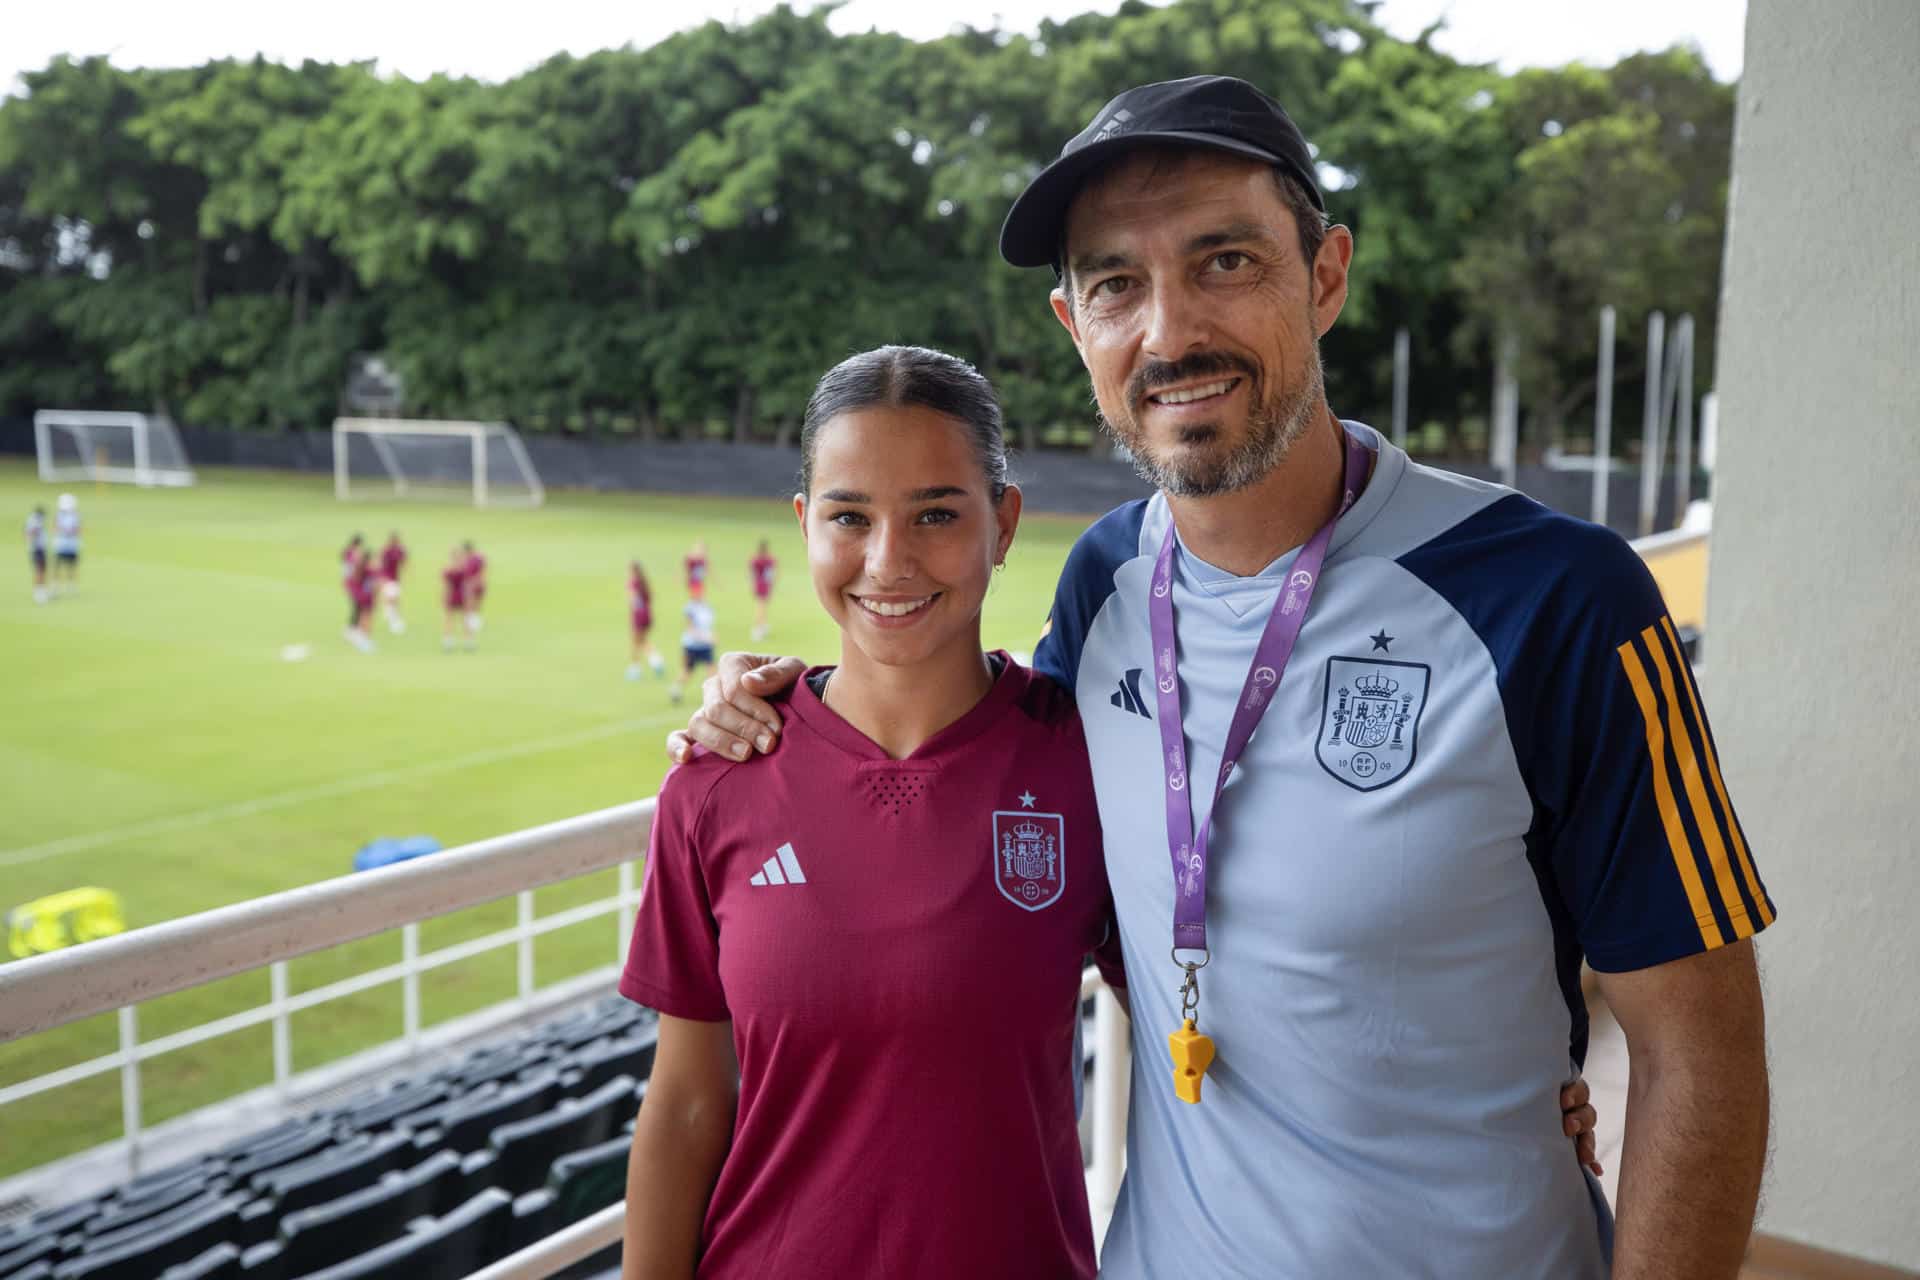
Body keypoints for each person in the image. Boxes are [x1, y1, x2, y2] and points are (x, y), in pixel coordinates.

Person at [669, 76, 1763, 1279]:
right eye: (1116, 285)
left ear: (1327, 274)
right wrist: (773, 704)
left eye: (1226, 260)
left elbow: (1700, 1056)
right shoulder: (1099, 589)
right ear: (1072, 327)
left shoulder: (1557, 595)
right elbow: (978, 777)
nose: (1170, 330)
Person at [670, 592, 715, 706]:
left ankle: (712, 697)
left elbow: (708, 626)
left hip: (706, 646)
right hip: (692, 646)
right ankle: (676, 689)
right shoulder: (690, 609)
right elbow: (690, 629)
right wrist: (705, 638)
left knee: (711, 672)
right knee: (687, 671)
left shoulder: (706, 607)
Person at [627, 560, 666, 680]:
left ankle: (636, 670)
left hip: (638, 616)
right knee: (642, 641)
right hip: (647, 615)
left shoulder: (633, 583)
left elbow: (633, 600)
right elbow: (651, 597)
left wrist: (632, 616)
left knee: (636, 642)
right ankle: (656, 661)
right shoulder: (644, 582)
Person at [344, 547, 377, 653]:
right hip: (364, 597)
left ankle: (361, 638)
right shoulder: (366, 569)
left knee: (362, 616)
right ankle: (363, 640)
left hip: (362, 596)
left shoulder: (364, 568)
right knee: (365, 617)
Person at [442, 545, 472, 652]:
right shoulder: (456, 570)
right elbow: (447, 587)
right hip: (456, 595)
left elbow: (466, 585)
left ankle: (464, 641)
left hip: (458, 595)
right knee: (452, 619)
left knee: (462, 619)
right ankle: (450, 641)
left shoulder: (451, 570)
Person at [51, 493, 81, 595]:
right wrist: (63, 530)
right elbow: (55, 528)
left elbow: (78, 529)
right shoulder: (59, 515)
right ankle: (55, 586)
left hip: (72, 545)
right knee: (57, 566)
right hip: (61, 544)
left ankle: (71, 586)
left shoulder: (75, 516)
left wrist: (72, 531)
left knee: (71, 566)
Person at [378, 531, 408, 634]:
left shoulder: (399, 550)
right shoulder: (386, 551)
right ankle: (393, 621)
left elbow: (404, 562)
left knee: (394, 599)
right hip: (387, 578)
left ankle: (390, 614)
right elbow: (381, 564)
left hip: (395, 578)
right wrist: (381, 578)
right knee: (392, 599)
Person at [747, 540, 776, 641]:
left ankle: (762, 626)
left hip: (759, 584)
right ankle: (758, 629)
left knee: (761, 607)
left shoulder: (756, 559)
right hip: (765, 585)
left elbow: (752, 573)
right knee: (761, 607)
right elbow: (772, 574)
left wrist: (752, 585)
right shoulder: (769, 560)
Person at [462, 541, 487, 636]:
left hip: (472, 583)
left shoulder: (470, 559)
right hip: (479, 583)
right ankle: (474, 621)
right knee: (476, 603)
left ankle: (471, 622)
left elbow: (469, 573)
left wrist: (471, 583)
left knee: (471, 602)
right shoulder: (480, 557)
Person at [24, 505, 48, 605]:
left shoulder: (34, 520)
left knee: (42, 570)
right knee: (39, 570)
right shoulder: (35, 521)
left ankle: (41, 591)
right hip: (37, 549)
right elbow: (30, 534)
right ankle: (39, 593)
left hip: (39, 549)